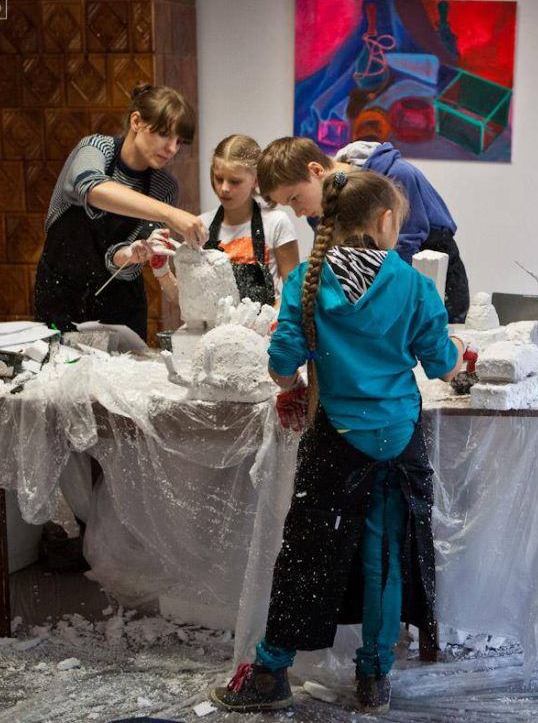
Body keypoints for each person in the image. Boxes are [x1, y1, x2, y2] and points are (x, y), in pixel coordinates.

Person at [209, 170, 465, 715]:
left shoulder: (307, 279)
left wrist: (297, 384)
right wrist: (460, 350)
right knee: (384, 559)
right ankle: (374, 676)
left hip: (335, 439)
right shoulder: (413, 285)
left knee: (306, 555)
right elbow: (443, 364)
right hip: (396, 438)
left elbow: (281, 367)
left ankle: (271, 670)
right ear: (385, 221)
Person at [34, 83, 209, 340]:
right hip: (61, 292)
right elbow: (91, 188)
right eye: (164, 135)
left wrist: (132, 254)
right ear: (136, 122)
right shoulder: (96, 148)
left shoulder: (164, 187)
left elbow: (122, 262)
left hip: (120, 304)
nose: (172, 148)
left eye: (179, 141)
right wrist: (171, 214)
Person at [256, 136, 470, 322]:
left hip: (427, 274)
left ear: (316, 170)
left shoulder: (395, 174)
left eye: (294, 198)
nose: (297, 213)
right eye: (288, 204)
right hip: (375, 286)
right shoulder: (319, 206)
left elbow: (405, 247)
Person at [186, 134, 299, 305]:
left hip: (265, 320)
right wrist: (161, 270)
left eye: (234, 181)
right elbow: (190, 297)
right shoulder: (201, 225)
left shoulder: (277, 222)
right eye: (219, 179)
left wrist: (274, 315)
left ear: (256, 180)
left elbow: (294, 293)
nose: (224, 188)